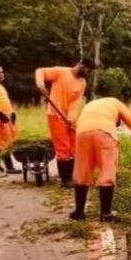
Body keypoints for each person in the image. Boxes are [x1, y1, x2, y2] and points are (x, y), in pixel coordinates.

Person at [69, 97, 131, 222]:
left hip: (82, 133)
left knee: (82, 171)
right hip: (105, 134)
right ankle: (106, 213)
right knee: (107, 170)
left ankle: (79, 212)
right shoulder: (117, 103)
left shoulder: (92, 104)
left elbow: (78, 123)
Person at [35, 59, 94, 187]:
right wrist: (41, 85)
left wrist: (71, 118)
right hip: (55, 115)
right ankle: (65, 180)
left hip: (69, 118)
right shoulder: (60, 72)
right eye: (87, 69)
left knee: (75, 148)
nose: (87, 72)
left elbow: (76, 102)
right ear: (81, 64)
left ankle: (73, 176)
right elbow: (40, 71)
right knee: (63, 148)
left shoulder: (82, 82)